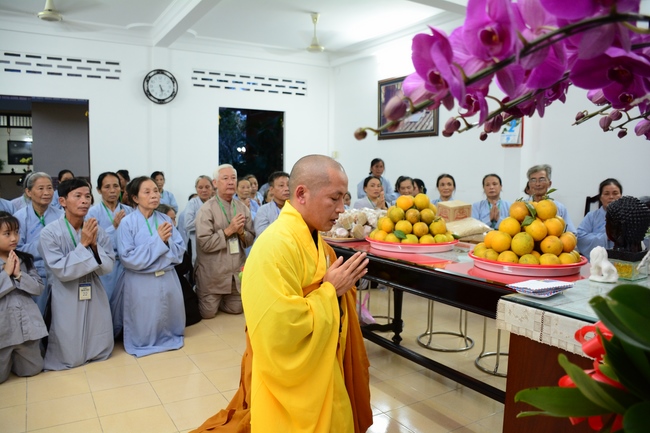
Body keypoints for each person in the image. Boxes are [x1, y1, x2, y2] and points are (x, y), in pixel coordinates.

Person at [191, 155, 372, 433]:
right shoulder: (274, 246)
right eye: (334, 198)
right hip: (290, 388)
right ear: (301, 194)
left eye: (344, 198)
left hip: (323, 367)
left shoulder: (318, 240)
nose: (342, 208)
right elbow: (279, 329)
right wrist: (330, 291)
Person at [39, 178, 115, 370]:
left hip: (93, 287)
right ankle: (68, 358)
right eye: (78, 196)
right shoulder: (49, 233)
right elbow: (61, 270)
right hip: (66, 291)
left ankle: (96, 353)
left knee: (96, 326)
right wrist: (83, 245)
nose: (84, 201)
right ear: (62, 201)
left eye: (87, 196)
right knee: (68, 333)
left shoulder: (97, 230)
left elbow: (108, 266)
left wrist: (94, 247)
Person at [117, 176, 185, 357]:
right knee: (144, 317)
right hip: (141, 280)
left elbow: (179, 249)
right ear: (135, 198)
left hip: (167, 276)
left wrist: (164, 245)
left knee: (167, 312)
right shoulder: (127, 223)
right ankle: (143, 342)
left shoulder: (165, 219)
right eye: (147, 192)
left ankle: (169, 337)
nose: (154, 195)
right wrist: (158, 241)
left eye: (155, 191)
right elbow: (127, 257)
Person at [194, 164, 254, 319]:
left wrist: (241, 233)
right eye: (225, 178)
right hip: (213, 274)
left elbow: (250, 239)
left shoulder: (242, 208)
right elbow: (204, 244)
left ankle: (222, 300)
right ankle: (204, 293)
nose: (230, 182)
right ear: (215, 183)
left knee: (237, 309)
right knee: (208, 313)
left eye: (233, 178)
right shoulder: (206, 209)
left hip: (234, 273)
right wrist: (229, 230)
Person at [0, 211, 47, 383]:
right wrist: (6, 273)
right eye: (7, 234)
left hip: (27, 328)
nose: (14, 238)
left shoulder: (25, 259)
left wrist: (19, 275)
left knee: (33, 370)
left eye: (16, 232)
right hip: (3, 329)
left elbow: (38, 288)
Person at [86, 172, 133, 337]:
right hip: (106, 266)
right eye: (107, 187)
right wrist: (114, 227)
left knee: (128, 301)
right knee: (107, 300)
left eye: (116, 186)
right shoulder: (92, 213)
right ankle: (107, 336)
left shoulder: (129, 211)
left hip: (127, 263)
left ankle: (126, 334)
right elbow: (92, 240)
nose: (112, 190)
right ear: (99, 190)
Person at [13, 172, 63, 315]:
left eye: (49, 188)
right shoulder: (19, 217)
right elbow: (17, 249)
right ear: (28, 192)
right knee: (36, 315)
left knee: (59, 316)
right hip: (31, 273)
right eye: (41, 188)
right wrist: (46, 244)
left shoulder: (61, 216)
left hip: (58, 272)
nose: (46, 192)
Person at [157, 204, 201, 327]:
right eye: (170, 219)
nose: (173, 223)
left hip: (177, 278)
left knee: (193, 313)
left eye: (174, 219)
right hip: (159, 278)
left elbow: (185, 266)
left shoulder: (175, 236)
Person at [576, 178, 624, 261]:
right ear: (601, 198)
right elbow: (580, 238)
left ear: (621, 196)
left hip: (623, 263)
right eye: (606, 194)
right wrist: (606, 237)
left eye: (615, 193)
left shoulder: (629, 217)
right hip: (597, 264)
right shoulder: (591, 216)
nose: (611, 197)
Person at [526, 164, 577, 233]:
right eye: (533, 180)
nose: (537, 184)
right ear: (529, 184)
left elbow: (572, 233)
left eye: (542, 179)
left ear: (549, 183)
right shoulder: (522, 207)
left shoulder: (559, 208)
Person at [183, 175, 214, 264]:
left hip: (214, 241)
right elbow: (188, 225)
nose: (204, 190)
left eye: (207, 187)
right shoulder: (192, 203)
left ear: (212, 188)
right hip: (196, 241)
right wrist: (206, 222)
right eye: (200, 187)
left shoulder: (215, 202)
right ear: (196, 189)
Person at [254, 171, 290, 239]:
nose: (287, 189)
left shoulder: (297, 208)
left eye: (288, 185)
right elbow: (262, 233)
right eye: (281, 185)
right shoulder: (263, 210)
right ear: (271, 189)